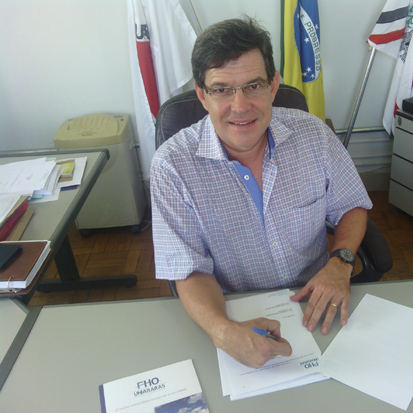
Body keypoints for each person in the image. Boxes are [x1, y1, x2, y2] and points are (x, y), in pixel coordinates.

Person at [150, 16, 372, 368]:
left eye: (253, 86)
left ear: (274, 85)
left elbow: (352, 205)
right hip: (235, 311)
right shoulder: (171, 166)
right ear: (202, 95)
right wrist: (222, 332)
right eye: (222, 89)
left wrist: (340, 262)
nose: (240, 106)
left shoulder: (314, 136)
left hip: (319, 297)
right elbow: (188, 270)